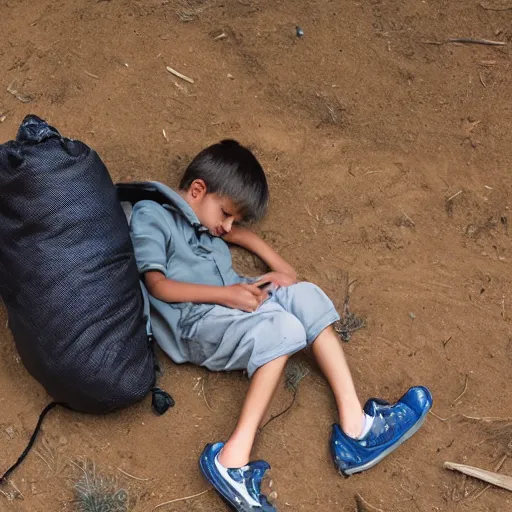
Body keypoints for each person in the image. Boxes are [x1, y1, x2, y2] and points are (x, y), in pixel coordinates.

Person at [129, 140, 433, 511]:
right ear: (197, 190)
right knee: (284, 330)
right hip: (195, 324)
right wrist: (228, 296)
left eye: (233, 222)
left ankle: (356, 430)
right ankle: (231, 461)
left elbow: (287, 276)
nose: (226, 226)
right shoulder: (151, 214)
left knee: (303, 294)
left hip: (233, 303)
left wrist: (238, 236)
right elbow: (158, 286)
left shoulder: (208, 226)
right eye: (226, 215)